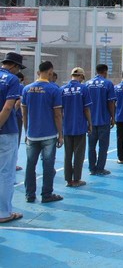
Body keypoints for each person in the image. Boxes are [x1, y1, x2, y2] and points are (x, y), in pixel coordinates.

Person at [22, 61, 64, 203]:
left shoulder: (27, 89)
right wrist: (61, 135)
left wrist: (27, 132)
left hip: (32, 134)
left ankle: (29, 194)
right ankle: (46, 194)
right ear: (50, 71)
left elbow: (24, 113)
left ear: (38, 72)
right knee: (48, 166)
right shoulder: (53, 90)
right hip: (49, 134)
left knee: (30, 165)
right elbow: (57, 114)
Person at [0, 52, 26, 222]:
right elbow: (9, 107)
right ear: (15, 66)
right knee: (5, 173)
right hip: (6, 131)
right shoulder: (12, 80)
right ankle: (3, 212)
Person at [60, 67, 92, 187]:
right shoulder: (83, 89)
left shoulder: (62, 89)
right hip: (79, 126)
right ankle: (77, 179)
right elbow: (86, 109)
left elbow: (59, 110)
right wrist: (90, 123)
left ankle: (68, 180)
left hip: (66, 127)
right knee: (79, 154)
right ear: (81, 77)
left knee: (67, 154)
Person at [85, 64, 116, 175]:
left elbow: (85, 104)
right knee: (103, 147)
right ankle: (100, 168)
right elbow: (111, 102)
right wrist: (113, 117)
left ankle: (92, 168)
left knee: (91, 146)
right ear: (105, 71)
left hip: (90, 121)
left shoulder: (87, 84)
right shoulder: (108, 84)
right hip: (103, 119)